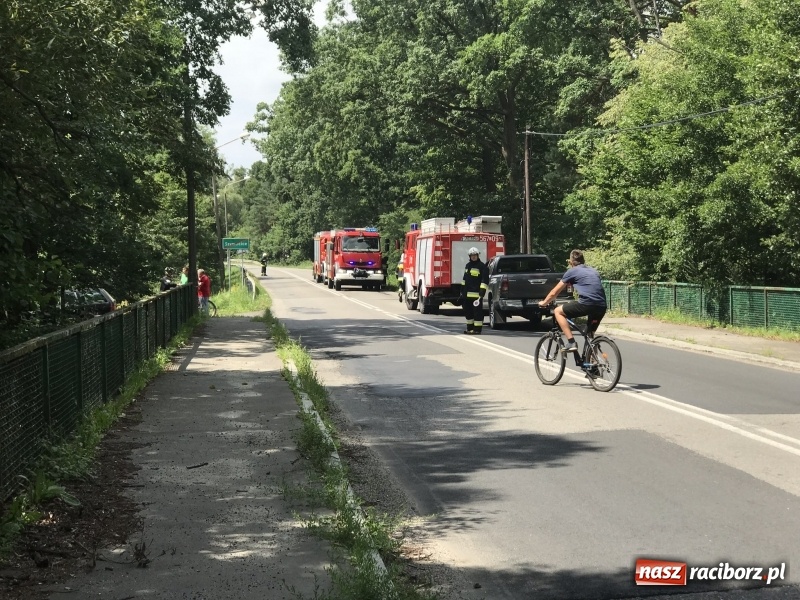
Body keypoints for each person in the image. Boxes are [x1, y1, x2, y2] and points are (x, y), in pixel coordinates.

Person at [538, 249, 607, 353]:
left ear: (570, 262)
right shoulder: (594, 271)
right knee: (590, 335)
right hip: (601, 305)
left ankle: (571, 342)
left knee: (558, 311)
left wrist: (544, 303)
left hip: (586, 304)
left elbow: (554, 292)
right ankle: (593, 364)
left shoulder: (572, 271)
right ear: (583, 261)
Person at [457, 247, 489, 335]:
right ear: (469, 256)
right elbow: (464, 280)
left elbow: (484, 281)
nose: (473, 257)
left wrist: (482, 292)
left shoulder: (482, 266)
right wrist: (461, 291)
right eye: (472, 255)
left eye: (475, 255)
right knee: (468, 313)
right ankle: (469, 329)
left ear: (478, 255)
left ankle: (477, 330)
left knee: (477, 313)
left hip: (477, 296)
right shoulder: (468, 266)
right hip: (467, 295)